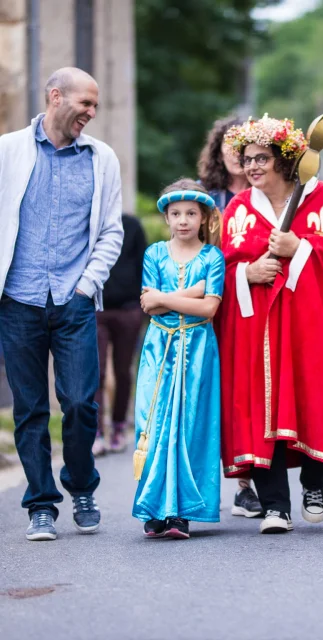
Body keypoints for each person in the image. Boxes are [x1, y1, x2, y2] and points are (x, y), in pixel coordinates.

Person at [218, 114, 323, 534]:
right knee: (261, 408)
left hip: (312, 325)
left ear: (284, 160)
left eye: (262, 158)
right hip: (256, 329)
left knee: (318, 396)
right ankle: (275, 506)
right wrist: (245, 274)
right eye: (247, 160)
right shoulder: (239, 209)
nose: (253, 168)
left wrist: (301, 247)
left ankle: (315, 482)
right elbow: (220, 267)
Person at [0, 67, 123, 542]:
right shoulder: (9, 149)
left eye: (95, 106)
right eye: (85, 104)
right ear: (56, 97)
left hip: (74, 301)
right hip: (18, 300)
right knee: (29, 409)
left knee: (78, 403)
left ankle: (81, 484)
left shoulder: (101, 157)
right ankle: (41, 505)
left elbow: (110, 229)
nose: (91, 114)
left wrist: (87, 286)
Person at [132, 179, 224, 539]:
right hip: (160, 347)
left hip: (198, 349)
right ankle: (155, 508)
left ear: (203, 218)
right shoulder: (154, 253)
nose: (183, 220)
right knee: (152, 425)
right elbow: (147, 305)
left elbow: (210, 309)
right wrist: (192, 292)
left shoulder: (212, 257)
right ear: (166, 218)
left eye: (191, 213)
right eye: (175, 214)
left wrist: (166, 297)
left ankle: (181, 512)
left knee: (190, 426)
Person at [197, 116, 262, 518]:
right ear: (219, 150)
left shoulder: (269, 194)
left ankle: (246, 485)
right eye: (230, 145)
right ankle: (199, 486)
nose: (237, 155)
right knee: (209, 391)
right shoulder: (205, 197)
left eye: (247, 147)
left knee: (250, 391)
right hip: (210, 301)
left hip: (254, 299)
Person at [93, 213, 147, 456]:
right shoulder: (89, 222)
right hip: (95, 309)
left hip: (128, 310)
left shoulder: (132, 225)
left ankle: (117, 427)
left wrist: (142, 307)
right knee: (96, 371)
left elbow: (144, 265)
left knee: (123, 371)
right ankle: (95, 432)